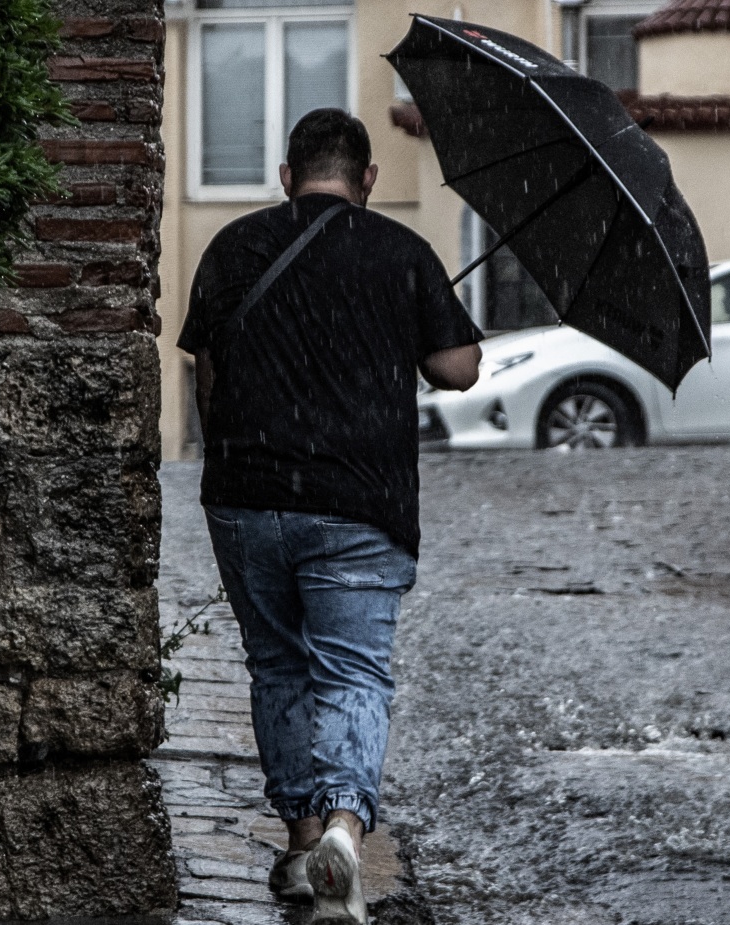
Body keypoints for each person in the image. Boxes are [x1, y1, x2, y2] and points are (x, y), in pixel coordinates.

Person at [178, 108, 483, 924]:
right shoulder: (402, 253)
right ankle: (344, 828)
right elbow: (459, 369)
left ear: (286, 176)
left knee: (278, 668)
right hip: (358, 503)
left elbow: (208, 371)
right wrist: (427, 313)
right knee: (352, 670)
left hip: (247, 499)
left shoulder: (234, 247)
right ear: (369, 180)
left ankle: (301, 839)